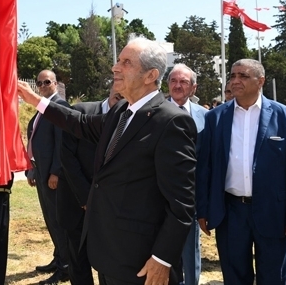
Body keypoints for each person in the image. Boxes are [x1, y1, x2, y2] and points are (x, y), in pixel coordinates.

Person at [18, 37, 197, 285]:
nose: (115, 67)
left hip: (142, 261)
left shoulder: (171, 122)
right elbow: (78, 123)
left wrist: (162, 259)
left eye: (126, 62)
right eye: (118, 61)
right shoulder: (121, 112)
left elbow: (182, 204)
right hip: (109, 253)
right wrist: (36, 101)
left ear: (150, 75)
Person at [196, 59, 286, 285]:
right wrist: (203, 209)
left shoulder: (285, 116)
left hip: (273, 212)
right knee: (235, 276)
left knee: (275, 277)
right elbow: (206, 167)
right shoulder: (215, 117)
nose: (235, 81)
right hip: (231, 212)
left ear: (260, 81)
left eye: (243, 76)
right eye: (233, 75)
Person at [57, 87, 122, 285]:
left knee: (108, 262)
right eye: (117, 95)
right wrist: (86, 197)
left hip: (110, 208)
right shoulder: (81, 113)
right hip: (76, 203)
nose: (120, 100)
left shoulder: (130, 122)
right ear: (110, 90)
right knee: (78, 261)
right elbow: (67, 158)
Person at [26, 70, 70, 284]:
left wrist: (55, 172)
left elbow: (62, 144)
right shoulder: (41, 108)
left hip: (53, 176)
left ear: (55, 84)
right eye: (39, 82)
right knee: (50, 220)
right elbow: (35, 139)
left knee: (58, 221)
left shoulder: (59, 107)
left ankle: (65, 267)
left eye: (46, 82)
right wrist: (32, 169)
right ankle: (58, 258)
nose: (42, 85)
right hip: (40, 173)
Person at [166, 64, 208, 285]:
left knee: (190, 252)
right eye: (173, 81)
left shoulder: (207, 117)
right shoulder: (155, 112)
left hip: (191, 199)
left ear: (193, 87)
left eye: (183, 82)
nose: (178, 85)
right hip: (160, 197)